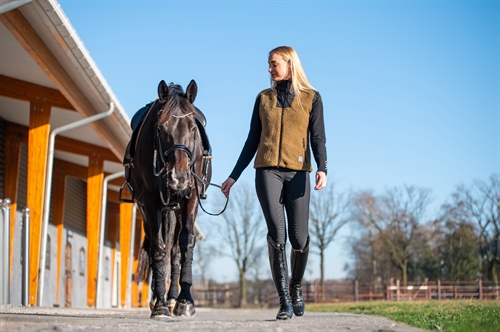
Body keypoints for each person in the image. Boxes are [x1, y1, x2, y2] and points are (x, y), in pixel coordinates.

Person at [221, 46, 327, 320]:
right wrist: (234, 175)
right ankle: (284, 301)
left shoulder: (311, 98)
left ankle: (296, 287)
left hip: (299, 172)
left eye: (274, 64)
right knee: (276, 235)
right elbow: (251, 140)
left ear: (290, 65)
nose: (269, 69)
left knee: (299, 238)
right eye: (269, 64)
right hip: (267, 171)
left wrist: (322, 168)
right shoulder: (263, 99)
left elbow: (318, 137)